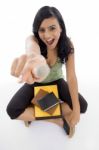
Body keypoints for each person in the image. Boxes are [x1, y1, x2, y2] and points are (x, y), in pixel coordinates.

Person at [6, 6, 88, 137]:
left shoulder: (67, 44)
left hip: (57, 81)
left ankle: (37, 103)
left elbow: (71, 76)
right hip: (36, 83)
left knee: (82, 106)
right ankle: (56, 119)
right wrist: (35, 57)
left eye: (52, 28)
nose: (47, 35)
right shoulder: (33, 40)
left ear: (61, 27)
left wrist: (76, 110)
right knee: (12, 110)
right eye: (42, 30)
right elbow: (31, 48)